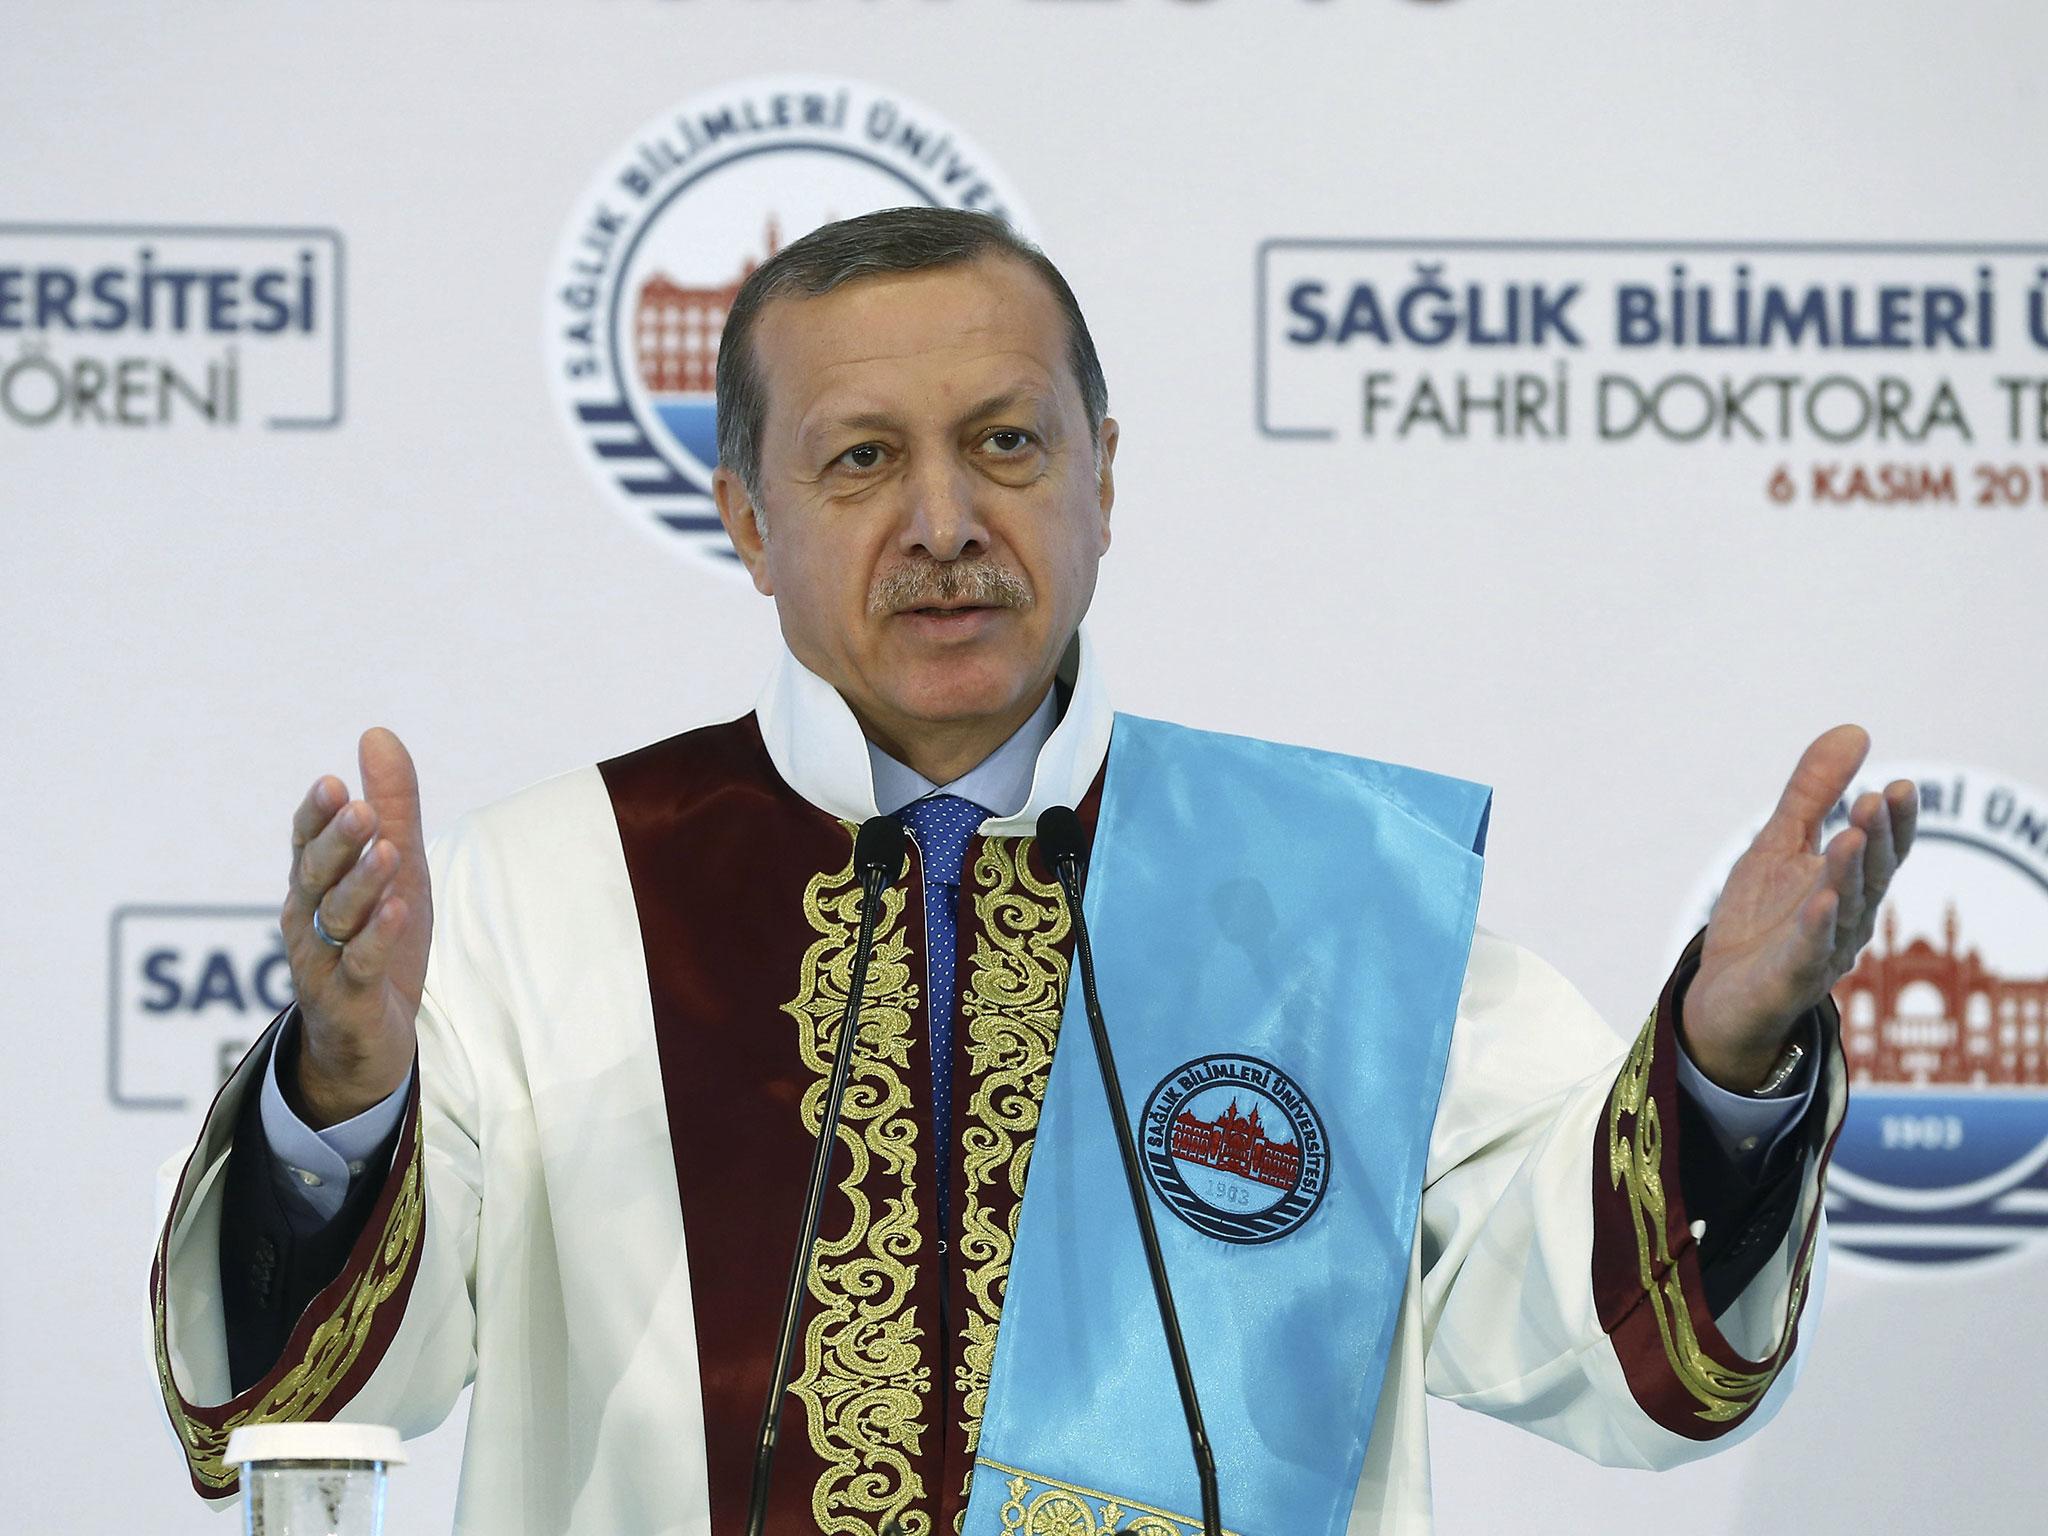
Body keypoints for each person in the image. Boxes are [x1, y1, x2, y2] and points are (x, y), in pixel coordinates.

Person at [150, 208, 1917, 1536]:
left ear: (1101, 478)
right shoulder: (553, 896)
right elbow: (318, 1398)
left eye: (1006, 442)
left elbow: (1608, 1347)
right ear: (748, 519)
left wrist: (1726, 1055)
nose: (943, 522)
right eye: (860, 461)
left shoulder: (1329, 903)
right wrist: (345, 1094)